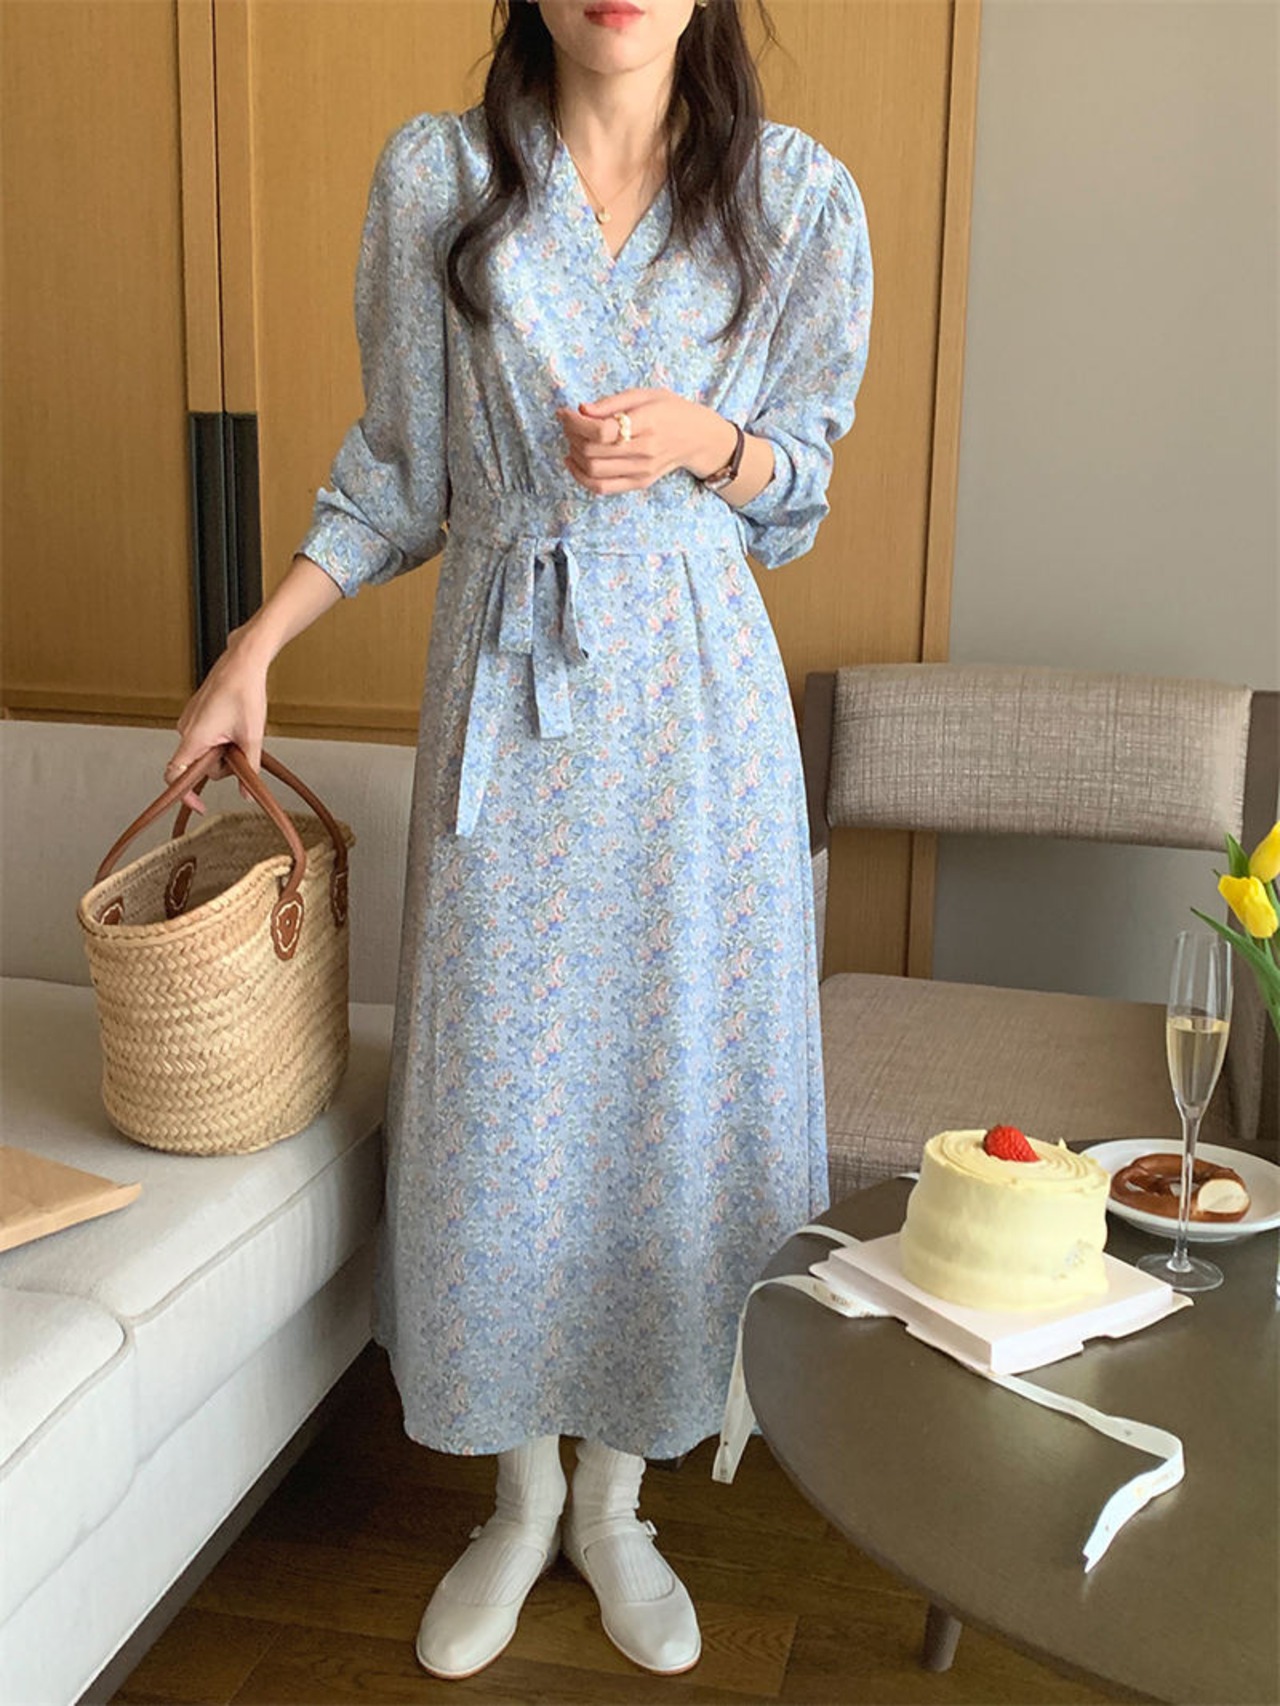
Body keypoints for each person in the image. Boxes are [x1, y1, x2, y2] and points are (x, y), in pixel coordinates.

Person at [166, 0, 871, 1681]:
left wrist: (707, 441)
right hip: (508, 704)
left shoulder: (793, 196)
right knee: (501, 1099)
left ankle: (619, 1502)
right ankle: (519, 1493)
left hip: (698, 721)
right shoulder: (439, 179)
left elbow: (799, 486)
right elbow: (399, 478)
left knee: (666, 1099)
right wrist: (255, 645)